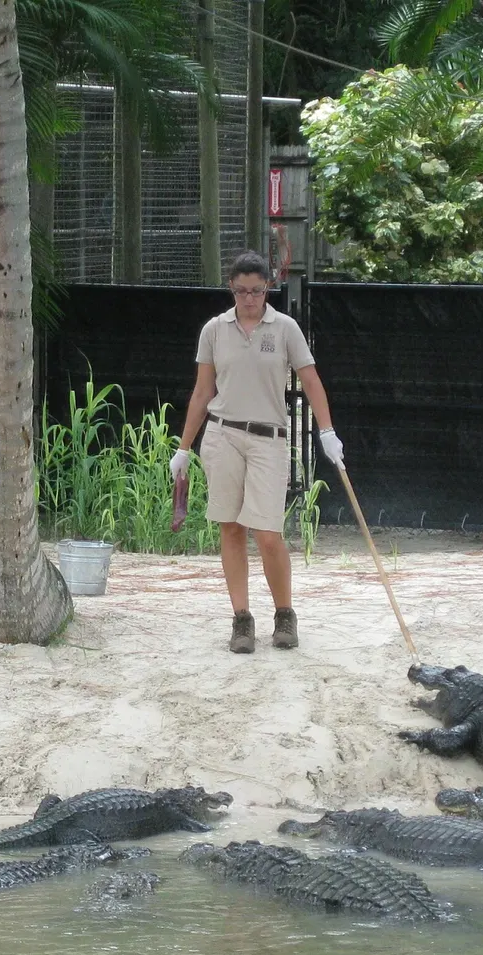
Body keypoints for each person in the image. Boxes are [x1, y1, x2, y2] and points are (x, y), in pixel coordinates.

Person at [170, 250, 344, 653]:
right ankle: (241, 620)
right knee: (231, 527)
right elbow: (202, 391)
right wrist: (183, 446)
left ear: (269, 288)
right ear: (231, 289)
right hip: (223, 435)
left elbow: (312, 380)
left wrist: (327, 430)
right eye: (242, 291)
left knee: (268, 532)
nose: (249, 298)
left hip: (269, 438)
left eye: (257, 290)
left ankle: (284, 613)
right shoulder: (214, 329)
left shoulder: (284, 329)